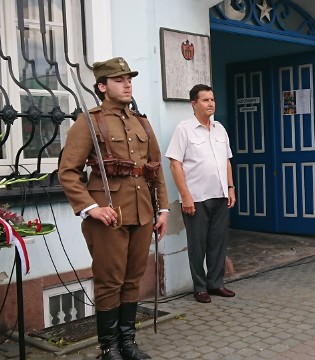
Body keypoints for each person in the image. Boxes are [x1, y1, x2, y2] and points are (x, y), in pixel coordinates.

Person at [59, 57, 169, 360]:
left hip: (143, 211)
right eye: (119, 80)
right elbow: (68, 171)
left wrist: (163, 210)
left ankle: (127, 343)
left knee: (133, 279)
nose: (127, 84)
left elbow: (154, 169)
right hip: (108, 214)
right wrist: (90, 207)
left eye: (129, 79)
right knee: (110, 280)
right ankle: (109, 348)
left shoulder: (141, 122)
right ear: (102, 86)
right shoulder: (90, 122)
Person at [166, 84, 236, 303]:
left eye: (212, 99)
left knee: (218, 242)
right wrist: (185, 196)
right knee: (197, 245)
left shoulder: (220, 129)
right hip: (196, 198)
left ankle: (216, 283)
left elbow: (226, 161)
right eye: (205, 100)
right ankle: (200, 287)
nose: (211, 104)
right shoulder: (184, 129)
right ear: (194, 104)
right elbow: (175, 164)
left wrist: (231, 188)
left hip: (220, 195)